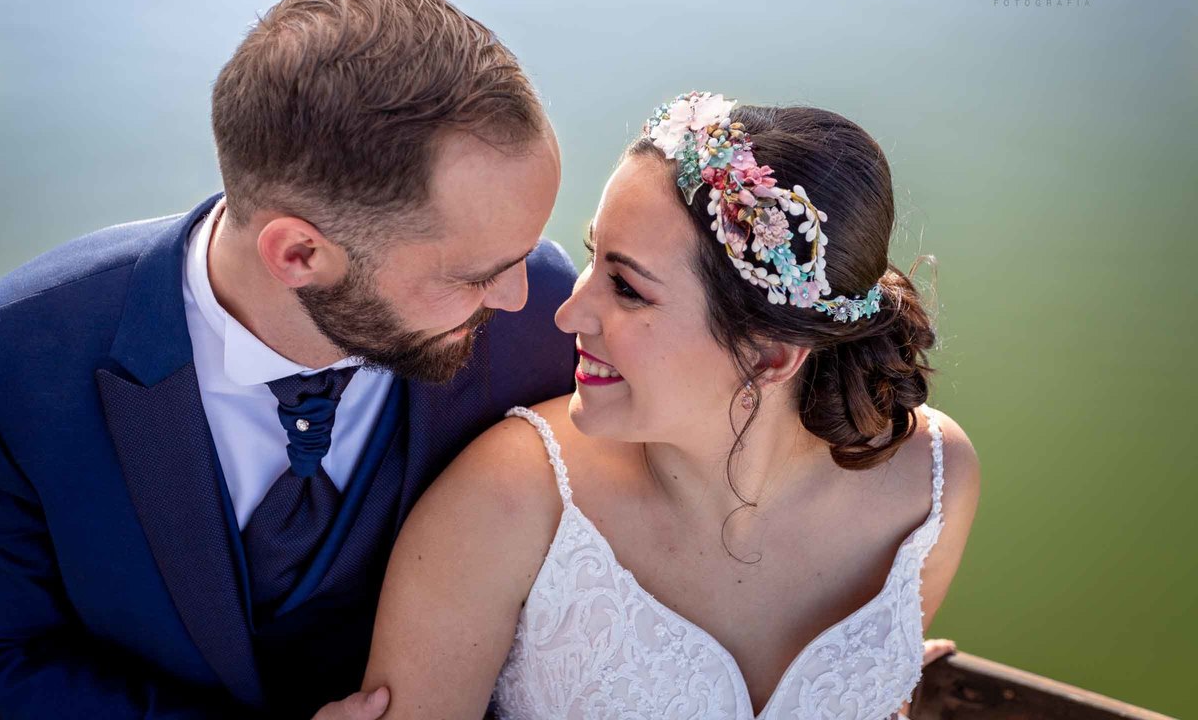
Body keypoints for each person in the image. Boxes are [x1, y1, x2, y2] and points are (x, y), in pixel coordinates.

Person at [0, 0, 578, 719]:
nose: (517, 297)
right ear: (298, 254)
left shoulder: (546, 322)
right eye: (475, 275)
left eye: (522, 252)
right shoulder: (23, 363)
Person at [363, 92, 981, 719]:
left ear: (768, 357)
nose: (568, 312)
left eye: (627, 287)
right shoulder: (507, 500)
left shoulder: (931, 486)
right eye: (592, 256)